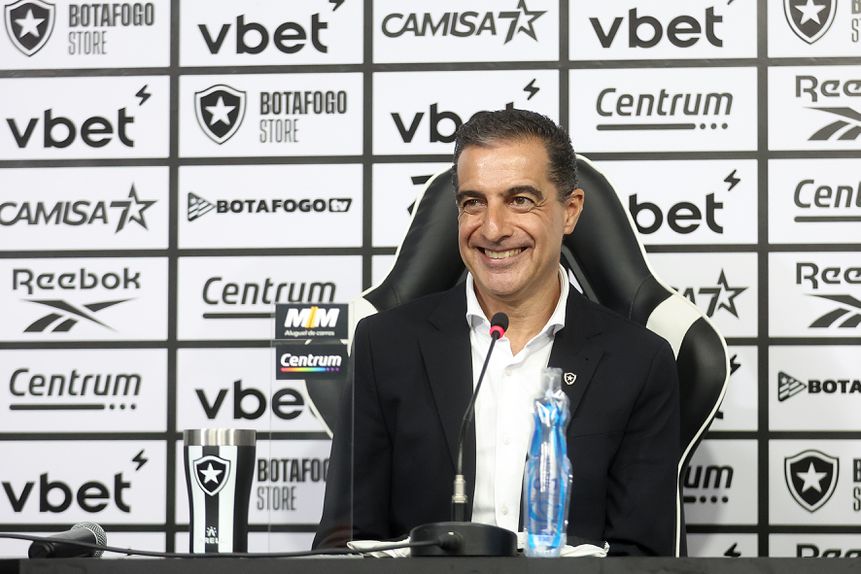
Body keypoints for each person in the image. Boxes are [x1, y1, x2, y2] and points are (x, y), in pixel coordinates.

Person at [314, 109, 680, 556]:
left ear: (570, 211)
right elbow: (345, 541)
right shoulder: (383, 345)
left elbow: (641, 559)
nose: (492, 228)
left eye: (520, 200)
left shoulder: (638, 361)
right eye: (473, 202)